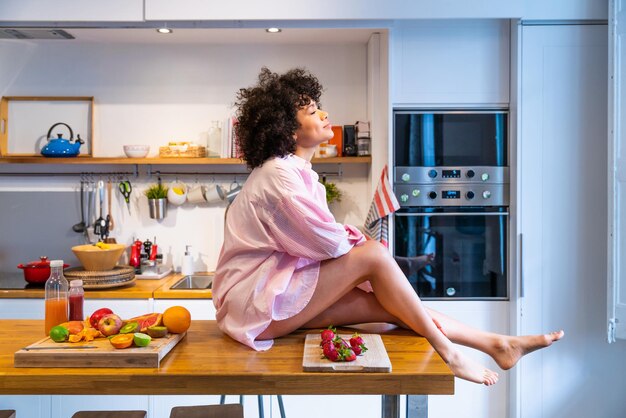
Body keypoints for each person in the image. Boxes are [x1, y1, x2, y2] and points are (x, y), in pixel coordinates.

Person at [212, 67, 564, 386]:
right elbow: (327, 245)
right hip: (253, 306)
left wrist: (371, 261)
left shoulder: (299, 175)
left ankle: (497, 343)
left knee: (387, 310)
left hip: (271, 297)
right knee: (376, 256)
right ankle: (451, 353)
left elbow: (319, 248)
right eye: (313, 110)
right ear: (288, 129)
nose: (325, 114)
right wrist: (368, 251)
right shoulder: (279, 176)